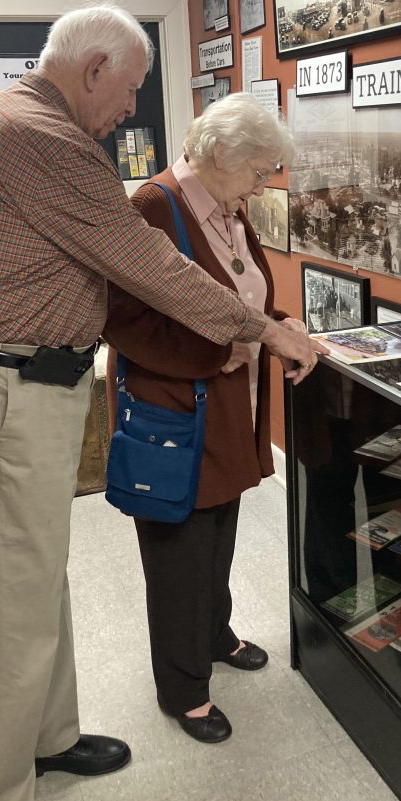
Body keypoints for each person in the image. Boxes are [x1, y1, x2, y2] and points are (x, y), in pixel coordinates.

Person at [0, 4, 321, 801]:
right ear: (93, 68)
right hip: (7, 386)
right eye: (130, 88)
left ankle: (48, 739)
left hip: (14, 380)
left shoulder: (9, 120)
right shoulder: (44, 139)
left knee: (34, 584)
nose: (133, 108)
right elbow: (150, 269)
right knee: (8, 603)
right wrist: (265, 332)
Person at [103, 93, 315, 745]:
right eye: (259, 170)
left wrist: (279, 326)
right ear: (221, 154)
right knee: (178, 551)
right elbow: (122, 321)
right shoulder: (154, 207)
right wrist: (220, 351)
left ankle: (214, 634)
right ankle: (183, 688)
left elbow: (239, 299)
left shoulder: (227, 205)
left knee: (218, 533)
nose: (263, 184)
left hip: (227, 407)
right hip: (177, 412)